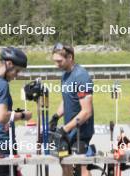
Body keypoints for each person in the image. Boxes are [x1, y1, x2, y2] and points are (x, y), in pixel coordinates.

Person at [0, 47, 32, 176]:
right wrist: (23, 115)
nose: (16, 75)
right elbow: (1, 116)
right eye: (17, 71)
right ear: (9, 64)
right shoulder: (1, 84)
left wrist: (12, 112)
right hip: (3, 142)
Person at [50, 43, 94, 176]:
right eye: (55, 61)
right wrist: (56, 116)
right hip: (69, 130)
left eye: (59, 61)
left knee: (82, 169)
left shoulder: (81, 76)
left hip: (81, 132)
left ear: (70, 57)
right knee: (65, 164)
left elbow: (86, 112)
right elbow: (67, 99)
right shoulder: (65, 75)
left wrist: (64, 129)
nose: (57, 65)